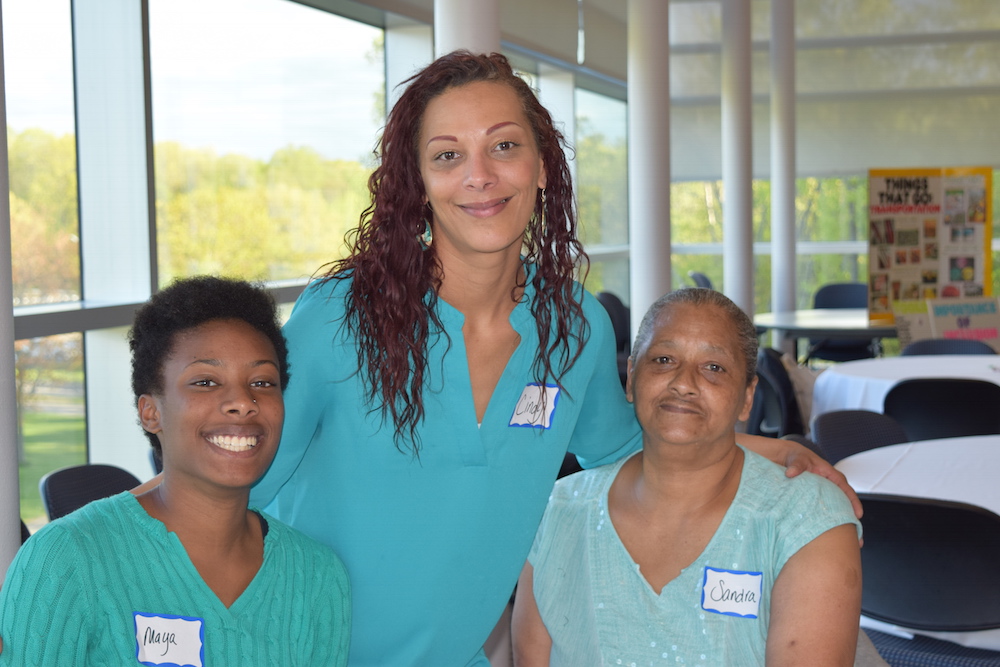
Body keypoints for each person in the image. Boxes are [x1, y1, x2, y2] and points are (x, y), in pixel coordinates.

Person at [249, 50, 859, 667]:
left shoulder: (573, 328)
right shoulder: (340, 316)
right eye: (448, 155)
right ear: (419, 182)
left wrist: (773, 448)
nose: (479, 175)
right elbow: (228, 487)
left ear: (542, 165)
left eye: (504, 146)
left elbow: (624, 448)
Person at [0, 276, 351, 666]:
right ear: (151, 412)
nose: (242, 402)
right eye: (205, 382)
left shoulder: (316, 576)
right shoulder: (66, 561)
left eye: (262, 382)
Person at [511, 288, 862, 666]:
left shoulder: (805, 519)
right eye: (663, 359)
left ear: (747, 396)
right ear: (631, 377)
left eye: (714, 367)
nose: (683, 381)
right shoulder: (558, 515)